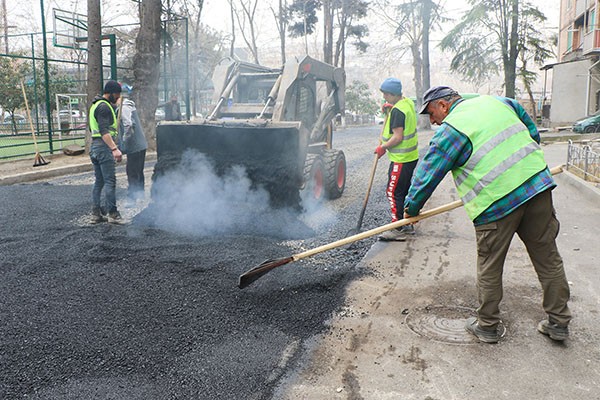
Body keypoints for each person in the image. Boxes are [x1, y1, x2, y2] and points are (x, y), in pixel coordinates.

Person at [404, 85, 571, 343]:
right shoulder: (499, 102)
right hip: (537, 187)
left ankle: (487, 326)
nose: (434, 121)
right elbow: (532, 132)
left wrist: (411, 208)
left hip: (496, 202)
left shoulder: (452, 129)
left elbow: (428, 174)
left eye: (431, 113)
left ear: (443, 105)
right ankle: (559, 323)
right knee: (548, 257)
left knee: (490, 265)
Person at [374, 77, 419, 241]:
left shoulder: (397, 111)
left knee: (392, 192)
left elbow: (398, 137)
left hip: (401, 158)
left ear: (393, 94)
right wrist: (390, 108)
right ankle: (406, 223)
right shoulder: (407, 103)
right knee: (403, 191)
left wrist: (383, 147)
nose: (384, 97)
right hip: (410, 157)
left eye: (386, 94)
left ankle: (397, 228)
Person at [88, 80, 127, 225]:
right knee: (110, 181)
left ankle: (96, 213)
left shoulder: (95, 105)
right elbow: (104, 130)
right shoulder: (104, 107)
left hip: (95, 147)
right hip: (104, 148)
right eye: (116, 95)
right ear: (110, 92)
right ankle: (113, 214)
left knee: (99, 181)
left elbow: (92, 129)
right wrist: (114, 149)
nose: (118, 97)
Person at [118, 84, 148, 202]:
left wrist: (124, 142)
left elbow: (128, 125)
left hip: (134, 145)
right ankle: (140, 195)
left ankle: (132, 198)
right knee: (138, 170)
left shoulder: (124, 107)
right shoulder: (130, 105)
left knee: (132, 171)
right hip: (141, 144)